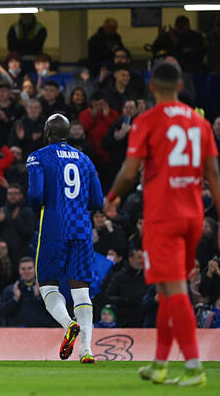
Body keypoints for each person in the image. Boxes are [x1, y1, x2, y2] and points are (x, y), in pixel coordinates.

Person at [105, 61, 220, 386]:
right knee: (168, 291)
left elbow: (129, 172)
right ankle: (158, 364)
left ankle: (195, 367)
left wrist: (112, 195)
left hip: (163, 216)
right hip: (193, 216)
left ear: (152, 88)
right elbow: (213, 175)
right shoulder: (200, 123)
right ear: (180, 87)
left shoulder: (147, 121)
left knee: (175, 290)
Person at [27, 114, 103, 364]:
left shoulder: (38, 156)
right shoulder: (85, 159)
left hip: (54, 226)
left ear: (47, 132)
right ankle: (86, 350)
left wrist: (42, 204)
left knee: (48, 285)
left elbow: (35, 193)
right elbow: (98, 201)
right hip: (81, 227)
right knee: (82, 290)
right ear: (68, 133)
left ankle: (69, 324)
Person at [0, 257, 51, 327]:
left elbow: (53, 314)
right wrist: (15, 299)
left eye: (30, 268)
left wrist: (39, 297)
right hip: (17, 333)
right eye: (23, 269)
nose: (26, 272)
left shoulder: (45, 289)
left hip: (41, 331)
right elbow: (2, 314)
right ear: (19, 271)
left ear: (35, 270)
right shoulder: (10, 290)